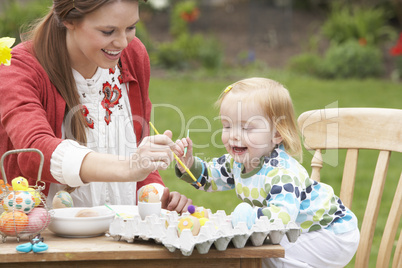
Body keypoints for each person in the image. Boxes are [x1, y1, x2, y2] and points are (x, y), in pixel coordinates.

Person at [0, 0, 192, 213]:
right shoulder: (18, 68)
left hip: (120, 236)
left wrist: (155, 196)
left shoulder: (133, 55)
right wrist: (129, 167)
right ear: (69, 19)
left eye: (130, 28)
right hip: (45, 237)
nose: (122, 42)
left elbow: (135, 145)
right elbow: (35, 151)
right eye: (108, 31)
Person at [173, 77, 360, 267]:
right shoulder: (237, 163)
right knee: (257, 248)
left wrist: (247, 217)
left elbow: (281, 217)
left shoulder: (281, 172)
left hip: (332, 233)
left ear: (277, 134)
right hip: (304, 230)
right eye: (227, 126)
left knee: (269, 253)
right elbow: (209, 178)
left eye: (246, 127)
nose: (234, 135)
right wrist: (188, 164)